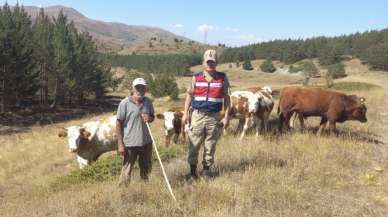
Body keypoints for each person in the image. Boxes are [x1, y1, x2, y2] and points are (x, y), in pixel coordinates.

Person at [182, 49, 231, 180]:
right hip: (197, 116)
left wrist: (226, 117)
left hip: (214, 117)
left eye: (212, 62)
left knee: (211, 144)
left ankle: (206, 171)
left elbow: (227, 98)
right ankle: (192, 172)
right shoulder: (196, 77)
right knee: (194, 144)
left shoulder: (222, 78)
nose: (210, 64)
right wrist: (185, 114)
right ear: (203, 62)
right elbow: (189, 96)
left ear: (216, 63)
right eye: (207, 62)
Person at [116, 77, 155, 186]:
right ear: (132, 89)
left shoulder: (148, 102)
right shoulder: (124, 103)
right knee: (126, 171)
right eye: (137, 87)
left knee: (146, 169)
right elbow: (118, 123)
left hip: (146, 142)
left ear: (145, 89)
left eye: (142, 87)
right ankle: (123, 193)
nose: (140, 89)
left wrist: (149, 118)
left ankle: (144, 190)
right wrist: (120, 144)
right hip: (130, 143)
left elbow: (152, 117)